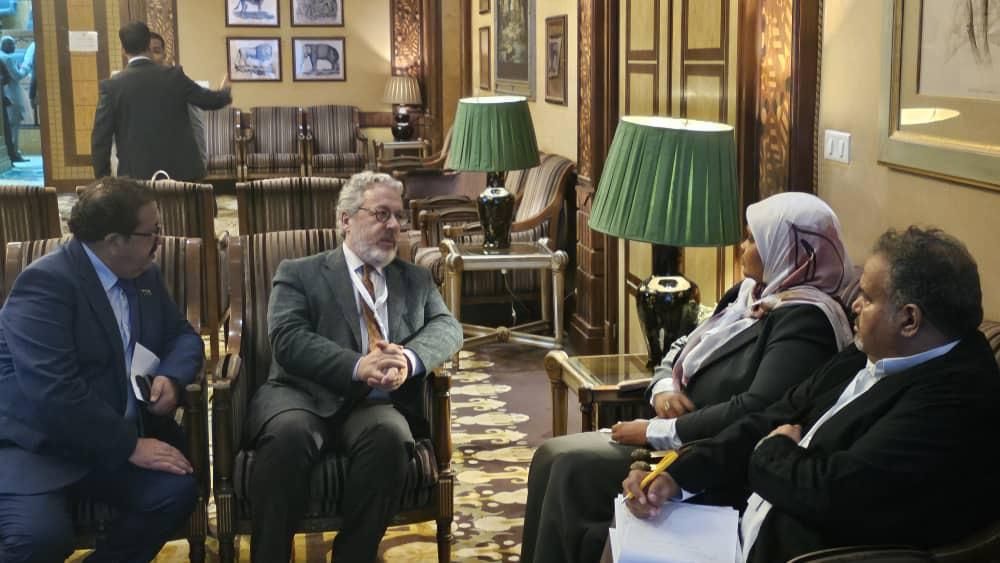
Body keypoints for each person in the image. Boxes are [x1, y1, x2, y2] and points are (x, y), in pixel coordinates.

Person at [621, 226, 1000, 562]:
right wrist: (678, 475)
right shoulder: (870, 351)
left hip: (794, 552)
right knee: (617, 533)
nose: (854, 305)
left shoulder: (956, 399)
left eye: (867, 298)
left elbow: (834, 491)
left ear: (909, 319)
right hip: (734, 529)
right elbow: (774, 417)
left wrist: (772, 452)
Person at [521, 192, 857, 563]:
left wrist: (657, 431)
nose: (742, 247)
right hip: (677, 436)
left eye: (752, 239)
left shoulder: (806, 320)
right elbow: (684, 343)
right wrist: (664, 385)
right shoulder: (751, 293)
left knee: (567, 465)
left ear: (787, 250)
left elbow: (758, 408)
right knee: (549, 458)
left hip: (710, 454)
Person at [244, 171, 464, 562]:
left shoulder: (414, 279)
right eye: (381, 214)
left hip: (374, 403)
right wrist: (358, 365)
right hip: (301, 395)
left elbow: (448, 327)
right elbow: (288, 339)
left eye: (399, 217)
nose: (394, 225)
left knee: (391, 438)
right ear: (345, 219)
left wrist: (408, 359)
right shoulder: (299, 272)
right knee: (288, 438)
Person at [0, 177, 204, 561]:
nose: (160, 241)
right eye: (152, 232)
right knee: (40, 540)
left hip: (109, 445)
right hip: (43, 446)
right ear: (114, 241)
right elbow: (55, 392)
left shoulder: (144, 274)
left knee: (175, 492)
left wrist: (171, 377)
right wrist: (129, 445)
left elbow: (182, 335)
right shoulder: (46, 284)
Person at [91, 21, 231, 181]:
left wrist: (103, 179)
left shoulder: (111, 87)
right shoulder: (174, 76)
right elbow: (210, 101)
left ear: (123, 50)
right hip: (181, 174)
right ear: (147, 44)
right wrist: (225, 92)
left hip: (136, 177)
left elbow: (100, 139)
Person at [148, 31, 209, 170]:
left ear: (164, 55)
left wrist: (201, 164)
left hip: (176, 166)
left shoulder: (178, 82)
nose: (151, 57)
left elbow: (196, 126)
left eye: (156, 51)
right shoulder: (129, 86)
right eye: (146, 52)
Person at [0, 35, 28, 161]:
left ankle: (11, 152)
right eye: (12, 44)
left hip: (5, 95)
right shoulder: (8, 58)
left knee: (8, 126)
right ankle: (14, 153)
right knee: (14, 126)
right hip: (12, 95)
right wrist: (26, 68)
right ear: (5, 45)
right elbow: (17, 76)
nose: (14, 47)